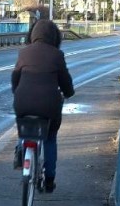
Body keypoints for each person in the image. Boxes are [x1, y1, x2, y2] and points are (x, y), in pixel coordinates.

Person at [11, 19, 74, 192]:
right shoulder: (56, 55)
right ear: (54, 37)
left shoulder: (23, 53)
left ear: (33, 34)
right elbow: (65, 81)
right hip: (49, 106)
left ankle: (20, 149)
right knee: (50, 137)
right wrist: (68, 93)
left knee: (25, 125)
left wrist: (17, 92)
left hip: (23, 102)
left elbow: (15, 78)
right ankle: (49, 179)